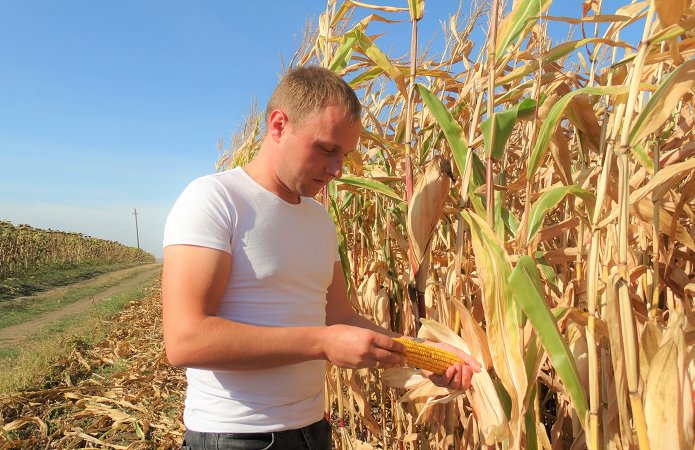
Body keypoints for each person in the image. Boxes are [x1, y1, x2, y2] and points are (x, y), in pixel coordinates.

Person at [162, 65, 480, 450]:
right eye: (326, 149)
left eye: (343, 154)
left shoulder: (319, 219)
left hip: (313, 430)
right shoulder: (215, 201)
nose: (337, 169)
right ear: (279, 125)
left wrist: (425, 355)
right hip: (235, 436)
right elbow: (185, 340)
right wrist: (322, 343)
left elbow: (339, 317)